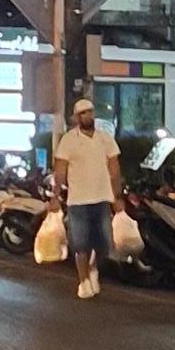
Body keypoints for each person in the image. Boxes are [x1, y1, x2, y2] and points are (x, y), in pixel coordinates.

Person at [53, 92, 121, 300]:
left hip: (102, 198)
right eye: (83, 113)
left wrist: (117, 196)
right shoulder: (68, 140)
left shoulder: (104, 138)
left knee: (104, 244)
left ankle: (93, 269)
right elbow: (60, 170)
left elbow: (114, 168)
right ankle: (83, 281)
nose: (87, 116)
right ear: (76, 117)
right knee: (81, 244)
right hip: (78, 200)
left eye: (90, 112)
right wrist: (55, 195)